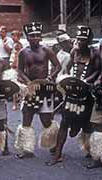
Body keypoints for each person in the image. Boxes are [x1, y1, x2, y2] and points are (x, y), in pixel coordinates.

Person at [47, 25, 101, 166]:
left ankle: (93, 153)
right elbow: (68, 67)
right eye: (78, 39)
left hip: (87, 94)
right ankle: (58, 155)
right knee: (64, 123)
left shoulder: (95, 53)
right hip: (72, 94)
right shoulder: (74, 52)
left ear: (89, 40)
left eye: (83, 40)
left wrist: (87, 81)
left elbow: (98, 71)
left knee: (88, 127)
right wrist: (67, 79)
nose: (80, 42)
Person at [14, 22, 61, 159]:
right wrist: (29, 83)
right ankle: (27, 149)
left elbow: (57, 66)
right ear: (27, 37)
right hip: (31, 91)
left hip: (45, 90)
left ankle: (53, 144)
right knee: (26, 118)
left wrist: (50, 77)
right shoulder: (23, 52)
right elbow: (20, 71)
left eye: (37, 35)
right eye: (31, 36)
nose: (34, 38)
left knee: (46, 120)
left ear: (40, 37)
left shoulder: (46, 50)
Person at [9, 30, 23, 110]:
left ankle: (20, 101)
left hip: (19, 68)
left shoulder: (21, 45)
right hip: (14, 68)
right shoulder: (14, 46)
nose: (13, 38)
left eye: (14, 36)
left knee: (20, 86)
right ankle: (15, 103)